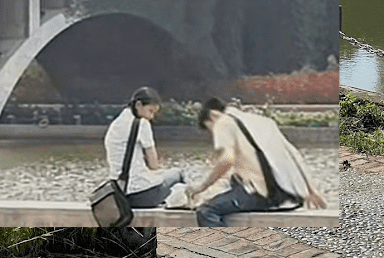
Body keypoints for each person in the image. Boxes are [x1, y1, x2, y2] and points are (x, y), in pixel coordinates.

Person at [185, 97, 326, 227]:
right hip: (285, 197)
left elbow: (226, 161)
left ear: (212, 115)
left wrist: (202, 187)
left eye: (209, 129)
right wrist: (311, 190)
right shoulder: (263, 122)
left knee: (207, 211)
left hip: (258, 195)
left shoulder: (223, 122)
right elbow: (294, 154)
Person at [104, 86, 184, 208]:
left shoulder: (115, 125)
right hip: (143, 195)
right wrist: (158, 166)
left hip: (120, 195)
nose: (151, 117)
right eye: (150, 111)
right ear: (138, 105)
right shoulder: (142, 123)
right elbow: (153, 165)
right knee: (178, 174)